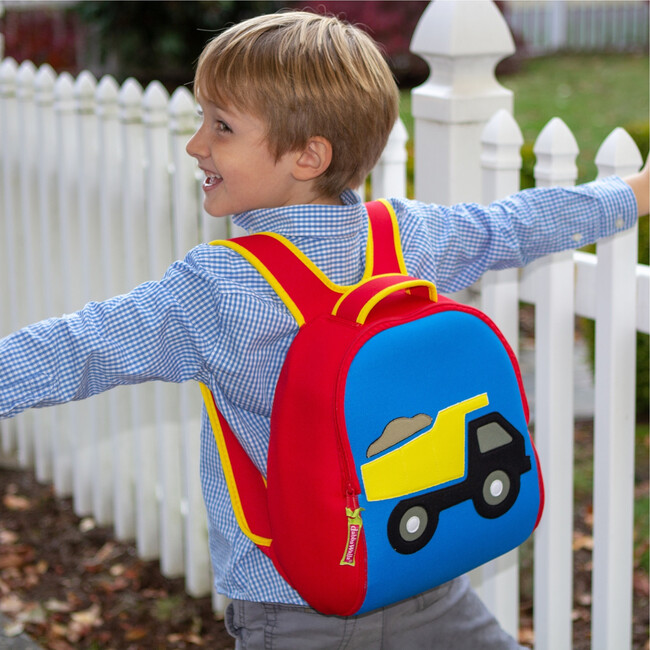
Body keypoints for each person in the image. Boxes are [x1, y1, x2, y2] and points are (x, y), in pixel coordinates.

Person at [1, 10, 648, 650]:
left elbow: (78, 347)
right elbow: (514, 224)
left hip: (294, 604)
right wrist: (634, 193)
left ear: (309, 155)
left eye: (221, 127)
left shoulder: (218, 288)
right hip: (419, 569)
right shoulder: (407, 235)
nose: (197, 144)